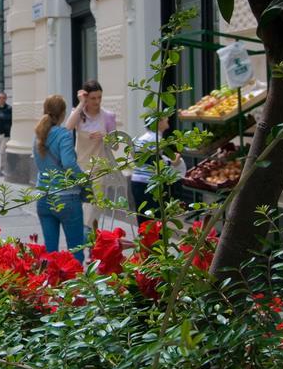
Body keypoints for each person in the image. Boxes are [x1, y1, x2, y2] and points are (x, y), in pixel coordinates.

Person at [33, 94, 86, 262]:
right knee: (76, 250)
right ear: (63, 114)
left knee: (50, 254)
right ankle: (77, 286)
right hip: (66, 198)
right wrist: (84, 179)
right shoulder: (64, 135)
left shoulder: (38, 136)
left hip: (44, 197)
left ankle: (52, 286)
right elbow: (69, 163)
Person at [64, 79, 118, 231]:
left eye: (99, 97)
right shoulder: (78, 114)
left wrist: (104, 136)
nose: (97, 101)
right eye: (93, 98)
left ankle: (87, 235)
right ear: (86, 98)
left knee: (96, 205)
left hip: (100, 167)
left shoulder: (108, 116)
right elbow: (68, 127)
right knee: (78, 205)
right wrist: (81, 104)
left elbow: (115, 145)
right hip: (79, 167)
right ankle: (82, 236)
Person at [131, 117, 186, 217]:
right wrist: (173, 162)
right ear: (158, 122)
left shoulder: (145, 137)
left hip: (138, 180)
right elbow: (155, 160)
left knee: (143, 217)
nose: (168, 118)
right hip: (148, 183)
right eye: (164, 117)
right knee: (155, 219)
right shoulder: (155, 139)